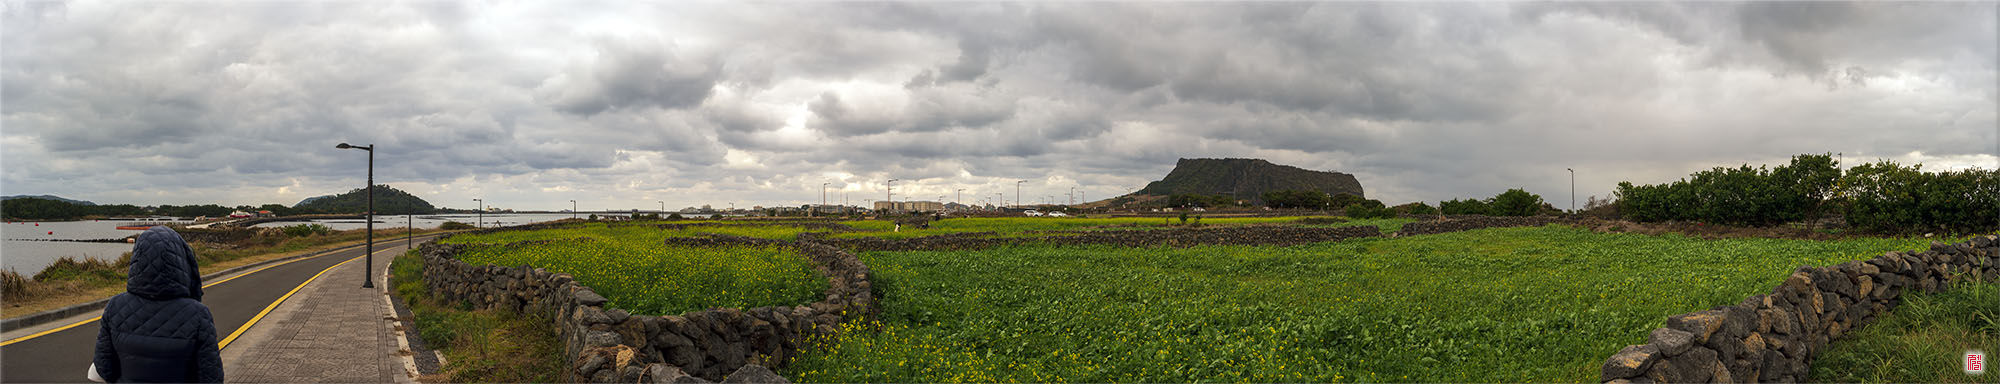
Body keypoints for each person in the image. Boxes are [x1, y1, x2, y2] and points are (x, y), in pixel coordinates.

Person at [91, 226, 223, 383]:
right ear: (181, 261)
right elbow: (211, 378)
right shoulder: (199, 314)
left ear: (137, 259)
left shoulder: (115, 306)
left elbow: (104, 368)